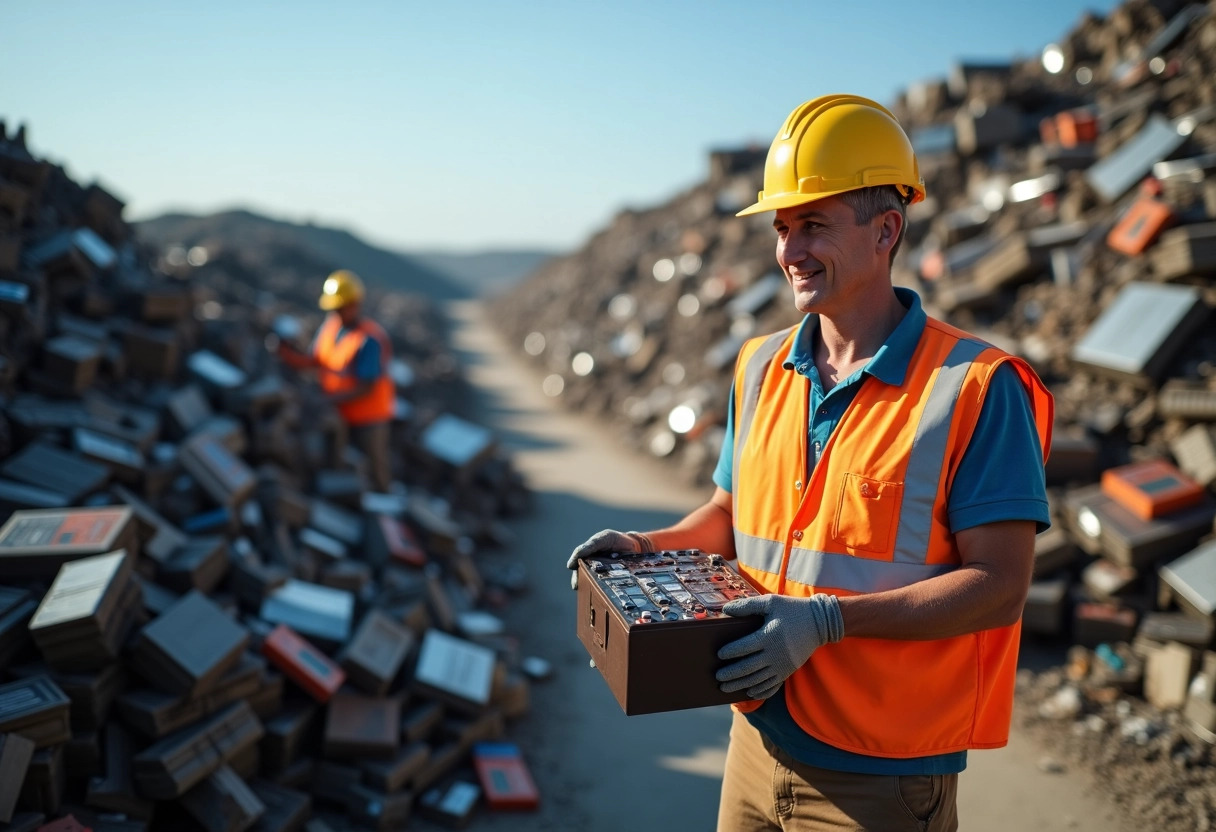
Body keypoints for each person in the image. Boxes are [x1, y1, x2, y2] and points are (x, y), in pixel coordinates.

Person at [567, 95, 1053, 832]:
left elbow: (1000, 587)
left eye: (815, 225)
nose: (790, 251)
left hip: (880, 777)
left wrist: (826, 622)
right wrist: (642, 549)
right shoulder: (760, 367)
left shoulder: (977, 388)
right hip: (756, 741)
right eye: (784, 227)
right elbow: (732, 517)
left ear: (886, 229)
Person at [278, 269, 396, 492]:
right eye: (333, 309)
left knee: (375, 468)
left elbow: (366, 388)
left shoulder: (369, 339)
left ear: (355, 304)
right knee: (339, 465)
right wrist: (287, 354)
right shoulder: (330, 327)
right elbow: (316, 360)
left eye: (340, 308)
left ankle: (384, 509)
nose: (336, 313)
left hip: (369, 417)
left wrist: (326, 399)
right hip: (341, 412)